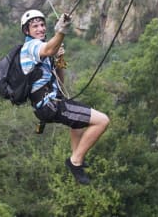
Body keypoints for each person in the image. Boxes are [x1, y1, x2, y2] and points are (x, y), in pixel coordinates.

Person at [20, 9, 110, 185]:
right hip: (49, 105)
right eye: (35, 26)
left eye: (41, 25)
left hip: (52, 102)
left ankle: (78, 156)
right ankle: (74, 162)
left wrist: (60, 58)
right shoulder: (32, 47)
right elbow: (49, 47)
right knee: (102, 121)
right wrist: (61, 30)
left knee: (78, 124)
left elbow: (61, 80)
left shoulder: (43, 49)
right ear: (26, 31)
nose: (40, 29)